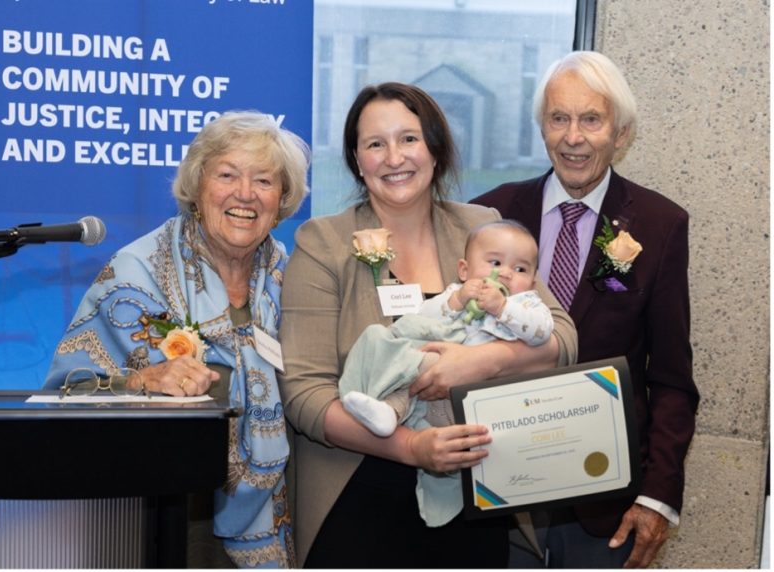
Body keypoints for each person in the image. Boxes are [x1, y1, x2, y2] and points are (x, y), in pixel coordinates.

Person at [278, 82, 578, 568]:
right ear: (356, 160)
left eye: (409, 139)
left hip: (473, 489)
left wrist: (482, 361)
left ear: (435, 149)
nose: (394, 157)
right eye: (375, 144)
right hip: (358, 493)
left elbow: (562, 338)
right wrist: (413, 447)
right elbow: (304, 395)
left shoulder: (482, 228)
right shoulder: (323, 243)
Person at [44, 111, 310, 568]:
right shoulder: (136, 272)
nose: (245, 193)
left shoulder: (295, 275)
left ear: (282, 198)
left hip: (278, 506)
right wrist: (143, 380)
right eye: (227, 175)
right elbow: (66, 391)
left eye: (264, 181)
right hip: (167, 508)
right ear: (197, 185)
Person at [471, 51, 699, 569]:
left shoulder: (661, 225)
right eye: (559, 118)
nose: (573, 137)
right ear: (542, 128)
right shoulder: (491, 213)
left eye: (591, 119)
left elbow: (671, 378)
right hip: (498, 491)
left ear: (621, 134)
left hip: (604, 504)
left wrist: (658, 496)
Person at [339, 219, 554, 528]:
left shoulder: (527, 304)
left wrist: (503, 308)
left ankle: (449, 468)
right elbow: (421, 318)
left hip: (481, 403)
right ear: (464, 270)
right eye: (495, 263)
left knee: (454, 436)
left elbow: (541, 333)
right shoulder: (457, 293)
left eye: (520, 269)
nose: (506, 273)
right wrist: (456, 301)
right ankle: (389, 412)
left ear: (533, 282)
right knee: (410, 357)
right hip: (429, 397)